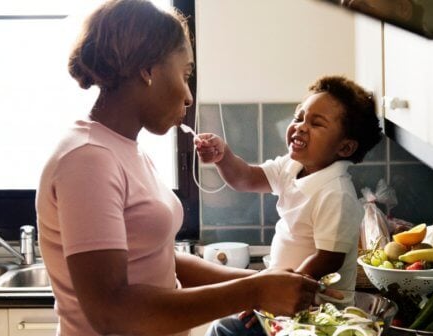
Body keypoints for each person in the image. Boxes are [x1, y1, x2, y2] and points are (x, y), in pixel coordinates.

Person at [36, 1, 336, 335]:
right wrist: (253, 291)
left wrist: (265, 282)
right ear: (147, 69)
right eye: (186, 74)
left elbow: (161, 259)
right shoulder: (87, 159)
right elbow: (112, 311)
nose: (189, 96)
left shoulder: (124, 149)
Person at [196, 76, 383, 336]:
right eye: (299, 118)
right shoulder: (291, 166)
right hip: (283, 303)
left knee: (224, 330)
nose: (301, 127)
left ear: (345, 147)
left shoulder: (335, 193)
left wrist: (274, 290)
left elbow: (327, 258)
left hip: (315, 316)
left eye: (316, 123)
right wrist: (223, 156)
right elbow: (246, 178)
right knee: (224, 328)